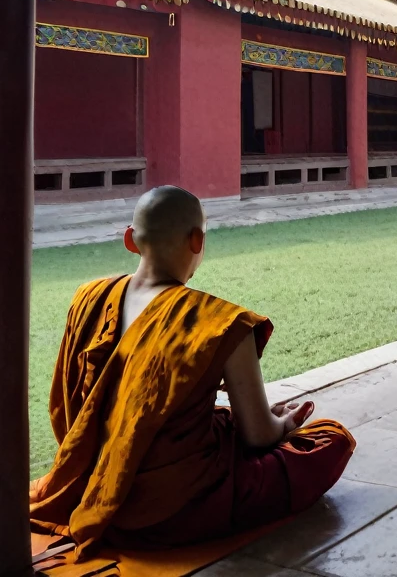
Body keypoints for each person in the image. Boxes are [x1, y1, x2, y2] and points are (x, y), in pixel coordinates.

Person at [31, 186, 354, 559]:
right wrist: (283, 425)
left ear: (130, 241)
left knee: (219, 421)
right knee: (332, 440)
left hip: (85, 485)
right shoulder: (219, 321)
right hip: (172, 508)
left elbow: (69, 410)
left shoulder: (88, 297)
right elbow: (258, 436)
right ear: (197, 240)